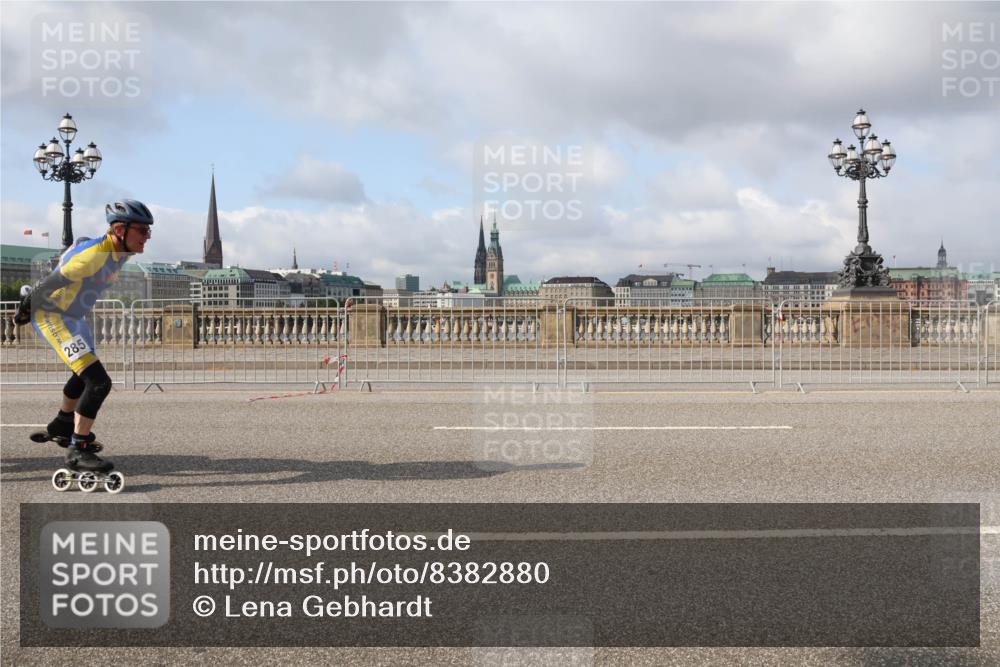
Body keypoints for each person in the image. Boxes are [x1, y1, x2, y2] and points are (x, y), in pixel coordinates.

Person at [13, 199, 154, 473]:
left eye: (149, 231)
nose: (147, 237)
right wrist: (22, 311)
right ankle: (77, 450)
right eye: (142, 230)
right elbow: (47, 285)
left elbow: (81, 243)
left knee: (83, 374)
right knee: (99, 382)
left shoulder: (117, 251)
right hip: (53, 316)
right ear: (119, 230)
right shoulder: (94, 257)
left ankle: (63, 423)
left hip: (74, 317)